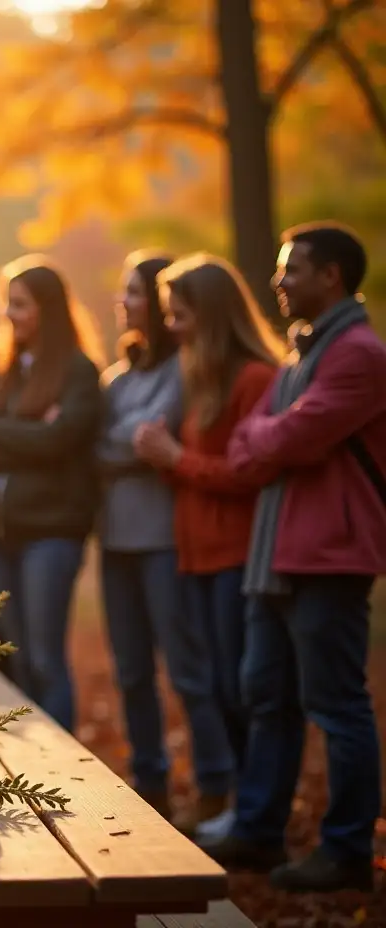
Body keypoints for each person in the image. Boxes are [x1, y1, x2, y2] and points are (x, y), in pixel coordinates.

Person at [207, 223, 385, 893]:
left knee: (336, 704)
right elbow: (253, 439)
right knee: (268, 696)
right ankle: (257, 829)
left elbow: (296, 437)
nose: (279, 282)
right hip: (276, 554)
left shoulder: (359, 353)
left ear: (331, 276)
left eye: (292, 270)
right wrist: (265, 436)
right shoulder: (301, 355)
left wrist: (264, 437)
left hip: (327, 558)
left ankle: (344, 849)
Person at [134, 253, 284, 838]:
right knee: (219, 686)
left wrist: (175, 459)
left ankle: (254, 813)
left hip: (236, 556)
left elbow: (248, 475)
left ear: (212, 314)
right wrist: (168, 460)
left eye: (179, 314)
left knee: (241, 688)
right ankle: (246, 811)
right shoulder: (203, 375)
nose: (170, 326)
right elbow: (198, 470)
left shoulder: (254, 379)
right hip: (195, 554)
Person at [98, 252, 233, 826]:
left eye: (132, 291)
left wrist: (126, 443)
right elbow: (103, 446)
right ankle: (149, 781)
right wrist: (131, 444)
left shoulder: (184, 367)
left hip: (164, 539)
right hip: (114, 542)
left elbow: (154, 436)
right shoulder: (117, 377)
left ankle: (216, 783)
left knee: (185, 668)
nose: (122, 301)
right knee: (130, 671)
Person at [0, 256, 103, 732]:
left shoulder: (78, 371)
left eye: (18, 305)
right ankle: (30, 760)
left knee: (43, 657)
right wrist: (27, 430)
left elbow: (61, 441)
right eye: (7, 304)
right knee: (14, 655)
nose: (9, 315)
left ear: (47, 309)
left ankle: (70, 767)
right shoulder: (0, 371)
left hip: (49, 534)